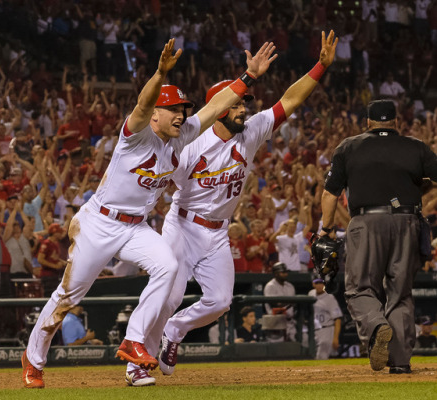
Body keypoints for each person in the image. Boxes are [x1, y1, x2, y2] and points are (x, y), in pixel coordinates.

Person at [22, 38, 277, 389]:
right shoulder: (136, 136)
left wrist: (248, 77)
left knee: (167, 266)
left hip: (135, 227)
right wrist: (159, 73)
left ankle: (134, 341)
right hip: (100, 222)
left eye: (182, 109)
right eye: (172, 109)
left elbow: (217, 104)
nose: (180, 114)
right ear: (156, 114)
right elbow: (143, 103)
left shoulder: (183, 134)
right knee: (69, 297)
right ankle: (33, 359)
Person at [155, 31, 338, 377]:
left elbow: (289, 101)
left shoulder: (251, 131)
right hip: (182, 225)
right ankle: (143, 358)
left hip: (218, 232)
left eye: (244, 104)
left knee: (221, 301)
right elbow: (158, 180)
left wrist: (320, 66)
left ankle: (174, 331)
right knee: (169, 295)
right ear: (219, 108)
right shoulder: (190, 144)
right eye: (237, 104)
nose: (244, 108)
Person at [319, 99, 437, 374]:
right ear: (396, 122)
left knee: (359, 288)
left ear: (368, 122)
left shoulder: (349, 146)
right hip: (407, 222)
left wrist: (326, 228)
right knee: (401, 294)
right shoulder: (415, 147)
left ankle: (376, 324)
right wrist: (418, 190)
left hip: (366, 221)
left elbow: (329, 194)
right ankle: (400, 362)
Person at [308, 277, 343, 359]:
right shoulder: (311, 294)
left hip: (326, 330)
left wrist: (335, 338)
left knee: (321, 357)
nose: (319, 285)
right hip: (313, 330)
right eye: (317, 283)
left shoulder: (330, 297)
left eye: (321, 283)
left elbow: (337, 319)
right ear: (313, 284)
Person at [263, 262, 297, 342]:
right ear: (276, 273)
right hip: (276, 323)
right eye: (283, 272)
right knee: (276, 350)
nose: (285, 274)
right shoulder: (270, 286)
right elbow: (274, 304)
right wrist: (290, 302)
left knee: (293, 349)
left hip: (290, 323)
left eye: (286, 272)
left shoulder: (290, 286)